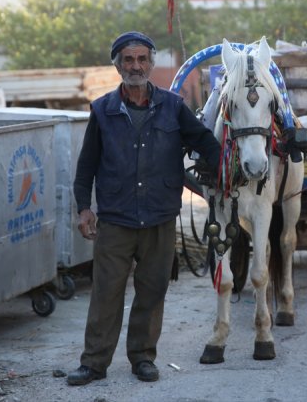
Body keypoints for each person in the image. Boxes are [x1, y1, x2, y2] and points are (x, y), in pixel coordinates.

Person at [67, 31, 221, 386]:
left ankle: (142, 358)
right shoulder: (102, 110)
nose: (135, 66)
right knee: (106, 293)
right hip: (117, 219)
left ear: (151, 64)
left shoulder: (173, 106)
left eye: (142, 59)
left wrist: (226, 168)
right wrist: (83, 209)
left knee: (152, 291)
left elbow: (203, 141)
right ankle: (93, 363)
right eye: (128, 59)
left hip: (159, 217)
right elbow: (86, 165)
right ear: (118, 65)